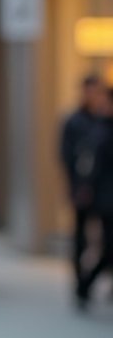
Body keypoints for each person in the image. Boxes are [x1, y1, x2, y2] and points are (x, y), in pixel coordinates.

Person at [59, 73, 109, 295]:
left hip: (104, 191)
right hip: (82, 188)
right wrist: (76, 185)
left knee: (107, 240)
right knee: (80, 237)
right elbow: (66, 156)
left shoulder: (104, 120)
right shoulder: (74, 121)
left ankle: (87, 281)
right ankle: (80, 281)